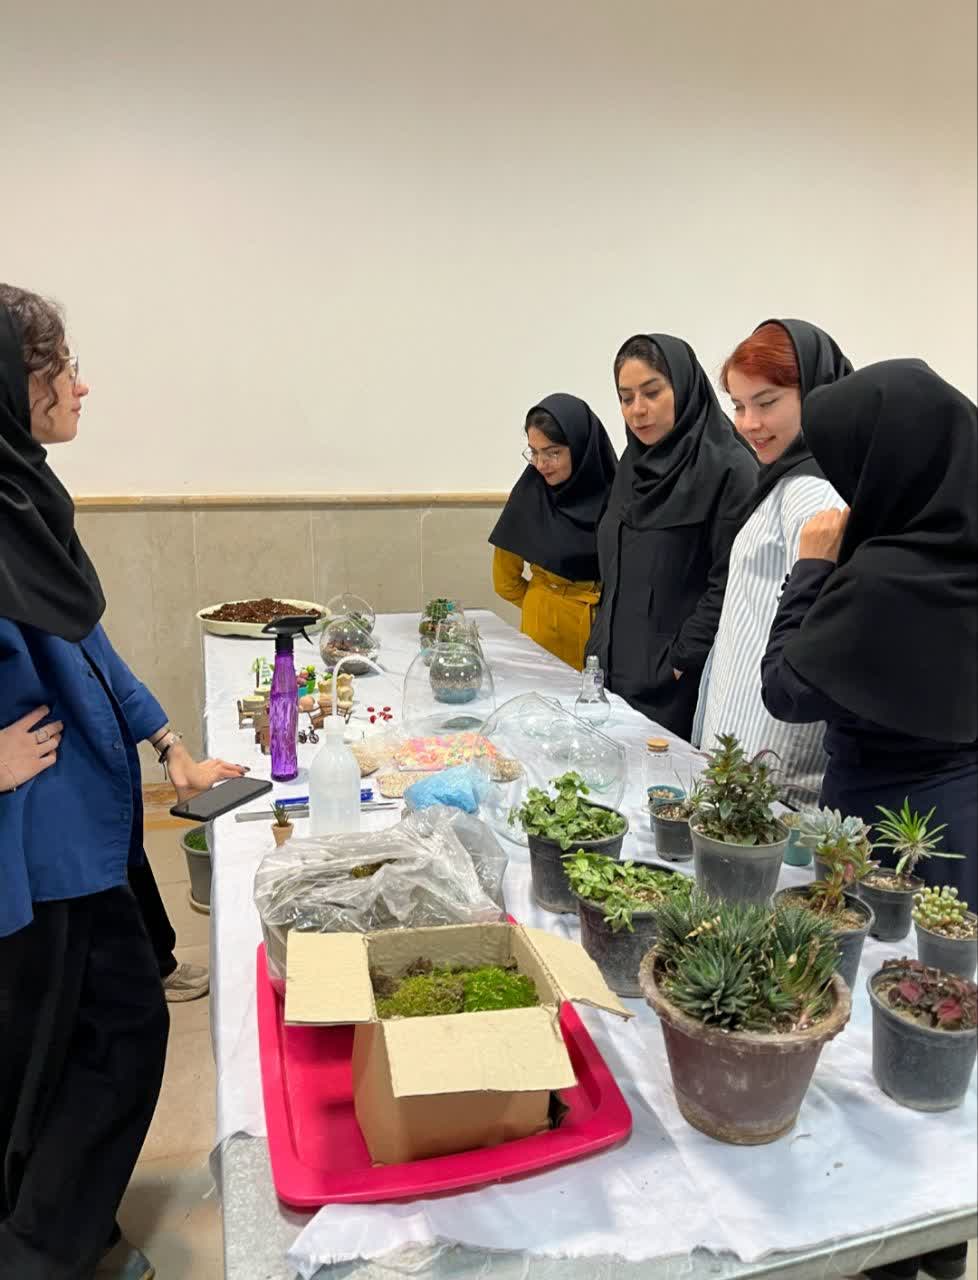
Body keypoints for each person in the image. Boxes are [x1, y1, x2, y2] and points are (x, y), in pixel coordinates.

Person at [0, 284, 244, 1280]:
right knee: (104, 1037)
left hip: (83, 833)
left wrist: (169, 745)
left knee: (87, 1038)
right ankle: (42, 1249)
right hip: (33, 851)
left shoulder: (21, 495)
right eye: (60, 368)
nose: (80, 386)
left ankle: (67, 1223)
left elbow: (86, 641)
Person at [761, 359, 977, 912]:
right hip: (962, 818)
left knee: (871, 952)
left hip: (882, 822)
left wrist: (810, 569)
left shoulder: (881, 578)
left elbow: (785, 689)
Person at [694, 319, 852, 805]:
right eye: (739, 406)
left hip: (773, 753)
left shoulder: (813, 492)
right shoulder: (784, 481)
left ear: (818, 395)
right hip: (747, 741)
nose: (748, 424)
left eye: (766, 403)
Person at [586, 333, 756, 738]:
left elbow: (731, 581)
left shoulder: (730, 468)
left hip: (676, 686)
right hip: (611, 674)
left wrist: (680, 659)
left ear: (683, 388)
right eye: (626, 397)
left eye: (652, 392)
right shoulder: (633, 464)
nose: (637, 410)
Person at [489, 394, 617, 669]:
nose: (540, 464)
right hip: (544, 630)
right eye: (534, 452)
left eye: (552, 452)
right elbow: (505, 581)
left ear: (581, 447)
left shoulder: (618, 495)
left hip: (604, 633)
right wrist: (545, 603)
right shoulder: (529, 496)